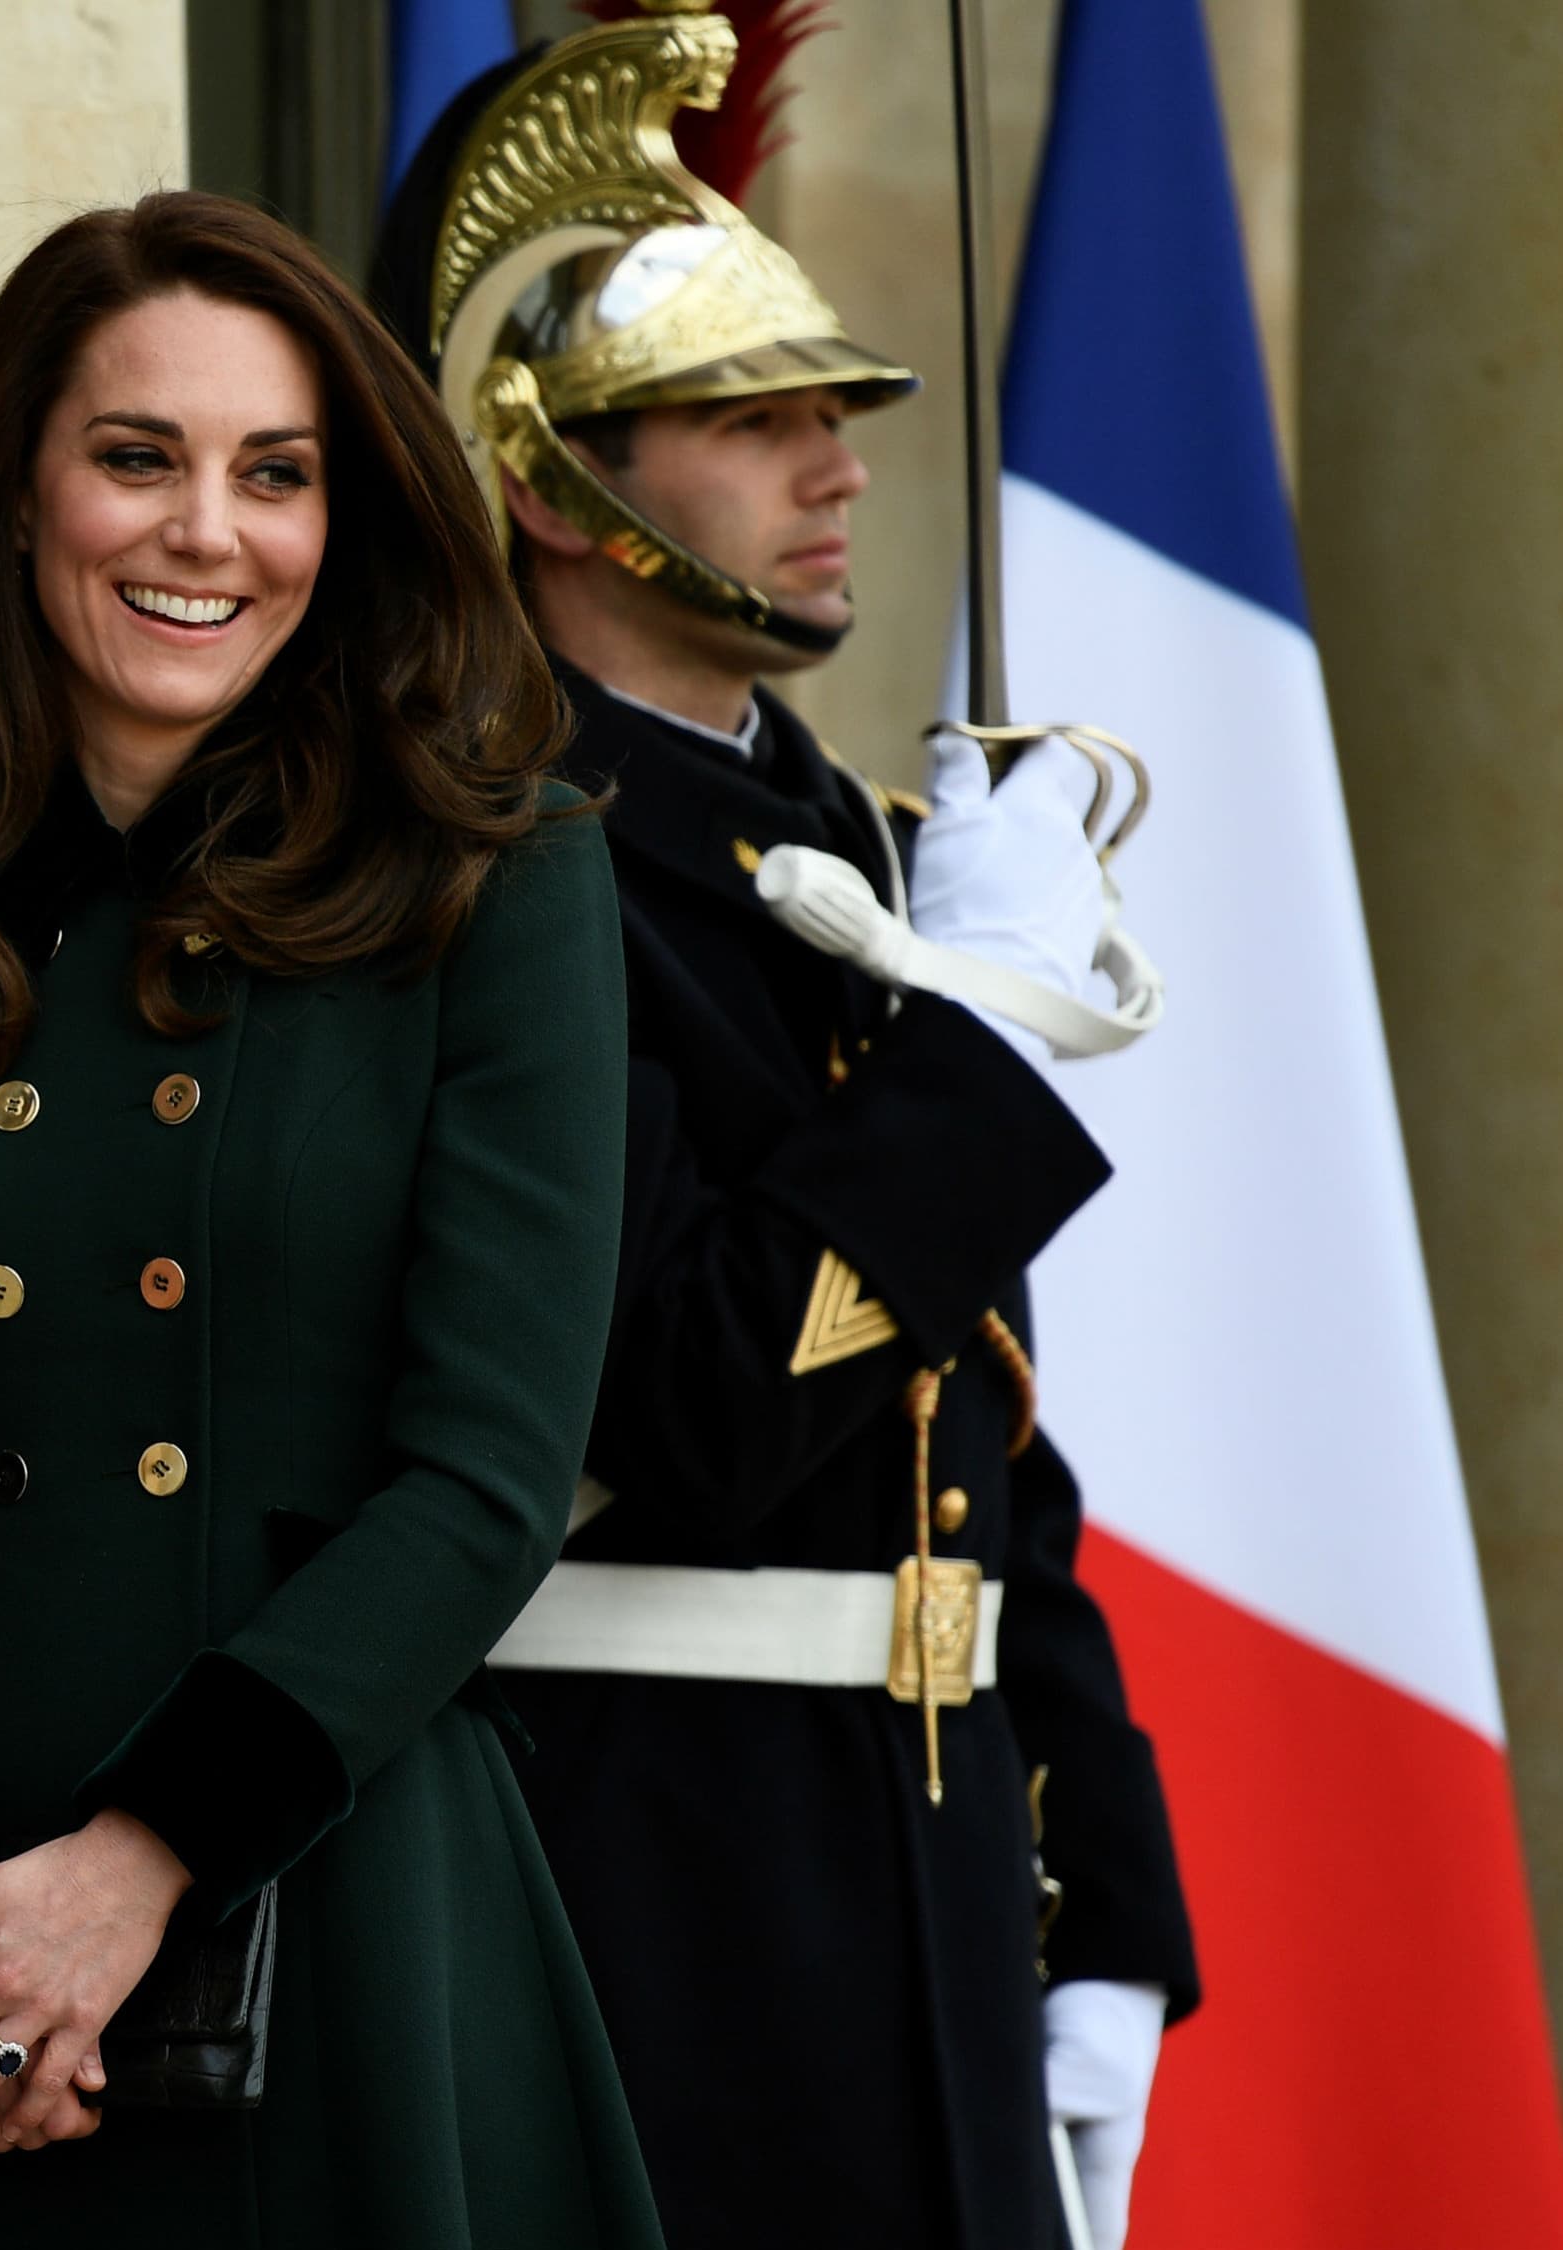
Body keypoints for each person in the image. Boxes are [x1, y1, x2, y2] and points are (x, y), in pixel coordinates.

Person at [0, 189, 661, 2248]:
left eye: (275, 474)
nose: (205, 532)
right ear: (17, 489)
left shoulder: (495, 877)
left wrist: (135, 1868)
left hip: (326, 1884)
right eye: (136, 456)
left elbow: (486, 1473)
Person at [375, 10, 1200, 2246]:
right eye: (751, 422)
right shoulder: (492, 866)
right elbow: (696, 1397)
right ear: (552, 486)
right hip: (656, 1880)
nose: (835, 469)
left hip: (930, 1873)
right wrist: (983, 1044)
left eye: (833, 413)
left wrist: (1104, 1888)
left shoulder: (849, 851)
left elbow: (982, 1429)